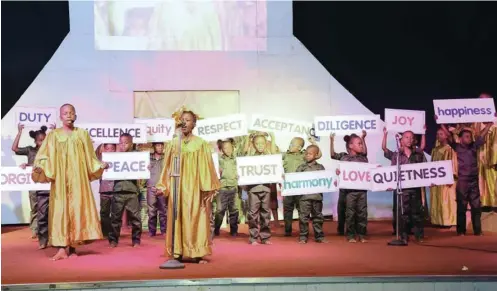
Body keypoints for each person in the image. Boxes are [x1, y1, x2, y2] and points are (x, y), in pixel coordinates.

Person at [32, 104, 109, 260]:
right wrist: (40, 166)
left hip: (78, 178)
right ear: (60, 117)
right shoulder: (53, 135)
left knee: (77, 209)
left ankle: (73, 247)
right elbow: (43, 155)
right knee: (60, 210)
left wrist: (99, 165)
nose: (68, 115)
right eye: (65, 113)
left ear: (75, 115)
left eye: (71, 113)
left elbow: (90, 157)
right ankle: (61, 248)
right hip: (60, 179)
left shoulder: (82, 134)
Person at [156, 108, 220, 264]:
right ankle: (177, 251)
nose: (184, 122)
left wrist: (207, 188)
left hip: (194, 188)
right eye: (182, 119)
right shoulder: (173, 143)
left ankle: (196, 252)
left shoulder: (200, 144)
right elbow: (167, 167)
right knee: (177, 217)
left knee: (195, 217)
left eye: (188, 120)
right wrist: (163, 186)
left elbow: (207, 168)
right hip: (177, 187)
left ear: (194, 124)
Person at [442, 122, 493, 236]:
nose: (469, 138)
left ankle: (477, 231)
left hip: (473, 181)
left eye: (470, 136)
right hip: (463, 181)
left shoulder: (474, 146)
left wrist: (489, 125)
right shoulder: (457, 147)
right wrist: (441, 124)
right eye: (466, 136)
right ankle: (461, 231)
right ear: (460, 139)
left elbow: (482, 136)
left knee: (476, 207)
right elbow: (449, 136)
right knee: (461, 207)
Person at [382, 128, 426, 243]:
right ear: (401, 140)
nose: (409, 140)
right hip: (402, 189)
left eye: (411, 138)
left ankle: (419, 235)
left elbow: (424, 169)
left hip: (415, 188)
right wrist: (385, 134)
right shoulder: (397, 155)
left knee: (417, 212)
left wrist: (423, 132)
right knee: (403, 213)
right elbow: (385, 150)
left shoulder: (418, 154)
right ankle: (403, 235)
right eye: (406, 137)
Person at [12, 125, 50, 247]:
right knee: (35, 207)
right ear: (35, 141)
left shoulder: (50, 152)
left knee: (48, 208)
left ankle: (47, 231)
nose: (42, 142)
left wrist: (53, 132)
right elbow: (15, 148)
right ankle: (35, 230)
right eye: (40, 140)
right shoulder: (30, 150)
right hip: (33, 183)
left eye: (44, 139)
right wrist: (19, 133)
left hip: (47, 183)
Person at [332, 131, 369, 243]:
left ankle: (362, 234)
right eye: (359, 143)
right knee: (350, 213)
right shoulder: (345, 159)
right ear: (351, 146)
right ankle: (351, 235)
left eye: (362, 143)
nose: (361, 145)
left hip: (362, 191)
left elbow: (368, 172)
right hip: (349, 192)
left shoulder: (364, 159)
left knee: (362, 213)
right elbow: (342, 172)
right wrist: (339, 172)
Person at [108, 133, 143, 247]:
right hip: (118, 190)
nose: (123, 145)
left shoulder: (137, 156)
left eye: (126, 143)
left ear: (131, 144)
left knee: (135, 218)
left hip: (132, 191)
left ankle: (136, 240)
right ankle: (113, 240)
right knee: (115, 218)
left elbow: (143, 166)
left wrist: (145, 167)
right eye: (121, 143)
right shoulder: (114, 157)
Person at [281, 136, 319, 236]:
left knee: (302, 210)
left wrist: (313, 143)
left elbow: (318, 155)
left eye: (292, 144)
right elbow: (273, 157)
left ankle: (303, 232)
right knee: (287, 210)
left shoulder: (304, 156)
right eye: (290, 143)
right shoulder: (285, 155)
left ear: (299, 148)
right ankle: (288, 231)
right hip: (288, 187)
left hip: (300, 188)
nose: (290, 146)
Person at [244, 132, 277, 245]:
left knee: (265, 213)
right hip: (253, 190)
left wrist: (272, 138)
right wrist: (249, 139)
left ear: (266, 144)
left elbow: (274, 155)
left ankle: (265, 237)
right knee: (253, 214)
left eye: (262, 143)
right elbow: (244, 161)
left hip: (266, 189)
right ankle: (253, 237)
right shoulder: (250, 158)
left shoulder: (269, 157)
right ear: (253, 145)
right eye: (257, 144)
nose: (260, 146)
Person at [296, 145, 328, 244]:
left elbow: (326, 180)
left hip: (317, 197)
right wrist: (286, 178)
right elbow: (294, 180)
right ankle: (303, 237)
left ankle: (319, 236)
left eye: (310, 154)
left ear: (316, 155)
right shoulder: (301, 167)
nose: (307, 155)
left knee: (318, 217)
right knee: (303, 218)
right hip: (304, 198)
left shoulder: (320, 167)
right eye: (306, 153)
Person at [429, 127, 458, 226]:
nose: (438, 136)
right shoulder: (435, 150)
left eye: (441, 134)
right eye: (437, 134)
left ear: (446, 136)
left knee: (446, 199)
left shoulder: (450, 149)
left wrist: (451, 177)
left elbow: (453, 164)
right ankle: (437, 221)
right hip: (437, 179)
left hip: (447, 180)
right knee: (437, 199)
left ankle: (448, 221)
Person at [214, 138, 239, 237]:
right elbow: (214, 171)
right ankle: (216, 228)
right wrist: (217, 171)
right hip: (222, 188)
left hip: (234, 187)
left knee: (234, 210)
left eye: (229, 147)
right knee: (220, 210)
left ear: (233, 148)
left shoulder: (237, 159)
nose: (227, 150)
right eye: (225, 148)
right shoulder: (218, 160)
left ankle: (234, 230)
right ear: (222, 149)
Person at [95, 143, 117, 238]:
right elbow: (94, 170)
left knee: (115, 212)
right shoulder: (99, 160)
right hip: (104, 189)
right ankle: (105, 232)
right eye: (108, 148)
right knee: (104, 212)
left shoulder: (119, 159)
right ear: (104, 149)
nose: (110, 150)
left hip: (116, 189)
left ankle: (114, 233)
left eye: (112, 148)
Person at [147, 142, 167, 237]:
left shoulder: (166, 158)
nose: (160, 147)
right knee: (151, 211)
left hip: (162, 188)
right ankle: (152, 231)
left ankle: (164, 231)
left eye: (162, 146)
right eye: (158, 145)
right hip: (151, 187)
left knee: (163, 210)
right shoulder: (147, 158)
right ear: (154, 147)